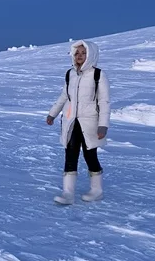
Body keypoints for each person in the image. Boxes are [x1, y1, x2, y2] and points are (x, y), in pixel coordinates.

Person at [46, 40, 111, 204]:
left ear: (91, 55)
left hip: (90, 123)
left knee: (90, 156)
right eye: (77, 53)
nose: (80, 56)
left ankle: (97, 190)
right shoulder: (70, 74)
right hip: (70, 122)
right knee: (70, 155)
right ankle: (68, 193)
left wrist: (103, 125)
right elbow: (64, 96)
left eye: (83, 53)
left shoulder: (98, 75)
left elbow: (104, 101)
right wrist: (52, 114)